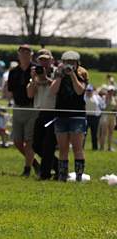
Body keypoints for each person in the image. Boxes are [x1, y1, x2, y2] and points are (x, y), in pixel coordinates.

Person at [50, 50, 88, 181]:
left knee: (77, 148)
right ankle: (62, 176)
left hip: (77, 116)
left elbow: (79, 91)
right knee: (63, 149)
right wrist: (60, 76)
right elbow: (53, 91)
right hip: (61, 115)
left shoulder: (82, 73)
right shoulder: (58, 73)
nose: (69, 65)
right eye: (66, 62)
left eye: (72, 62)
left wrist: (72, 76)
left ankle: (78, 177)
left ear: (77, 63)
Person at [7, 44, 39, 177]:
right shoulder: (13, 72)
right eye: (22, 52)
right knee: (17, 141)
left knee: (29, 141)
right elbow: (10, 90)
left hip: (32, 108)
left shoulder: (36, 70)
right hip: (18, 107)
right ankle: (35, 164)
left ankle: (27, 169)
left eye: (27, 52)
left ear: (31, 54)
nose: (24, 55)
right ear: (18, 54)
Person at [27, 48, 58, 180]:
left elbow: (57, 89)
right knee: (36, 145)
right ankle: (58, 167)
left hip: (54, 112)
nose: (44, 63)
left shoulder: (57, 73)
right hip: (40, 112)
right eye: (41, 61)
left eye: (46, 60)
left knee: (48, 144)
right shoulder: (35, 74)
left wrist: (46, 78)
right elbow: (30, 94)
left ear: (52, 60)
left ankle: (45, 174)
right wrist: (34, 79)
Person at [84, 84, 103, 151]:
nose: (89, 92)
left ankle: (95, 148)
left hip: (95, 118)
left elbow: (102, 105)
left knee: (94, 134)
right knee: (84, 133)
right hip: (86, 117)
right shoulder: (83, 97)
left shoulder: (97, 97)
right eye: (87, 90)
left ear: (92, 91)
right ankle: (81, 147)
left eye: (90, 90)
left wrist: (99, 113)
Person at [99, 85, 116, 151]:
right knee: (104, 132)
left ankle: (109, 147)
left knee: (111, 132)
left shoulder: (114, 98)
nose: (111, 92)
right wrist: (107, 99)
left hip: (112, 116)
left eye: (112, 91)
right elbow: (103, 107)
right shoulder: (104, 97)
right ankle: (102, 147)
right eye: (109, 91)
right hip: (105, 116)